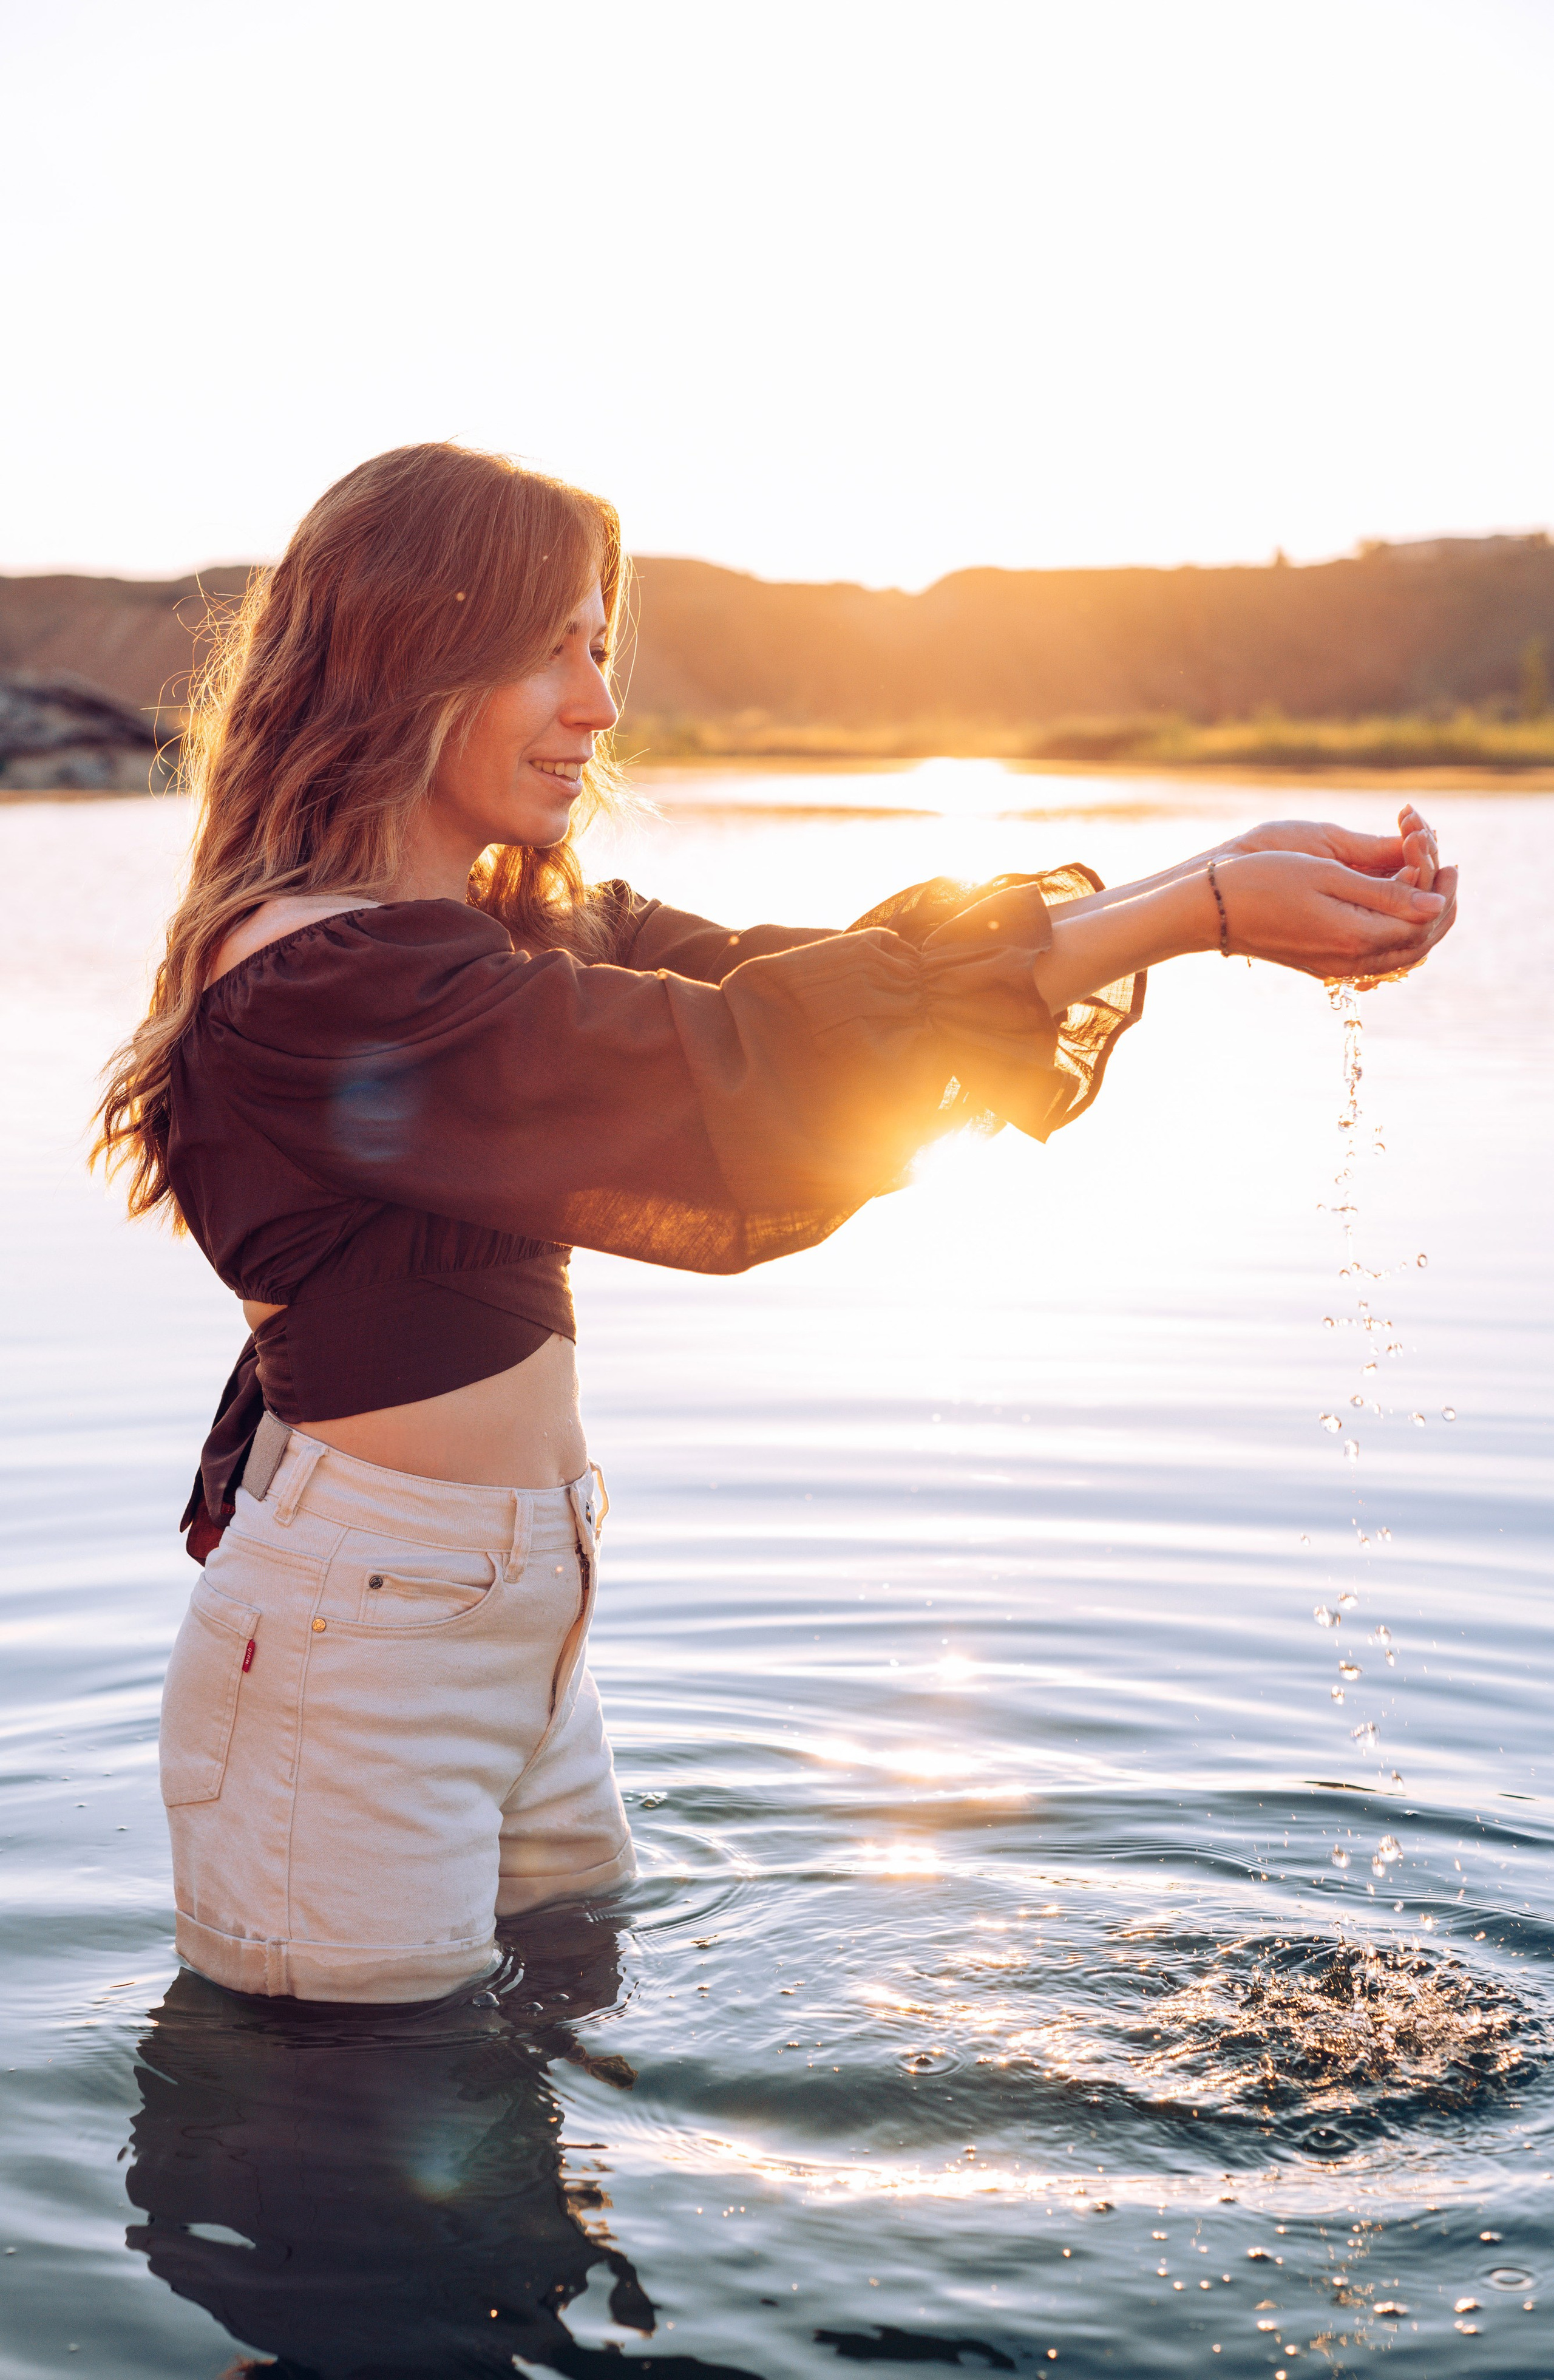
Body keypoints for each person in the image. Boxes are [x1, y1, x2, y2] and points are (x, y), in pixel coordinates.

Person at [93, 443, 1456, 2005]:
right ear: (406, 652)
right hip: (357, 1653)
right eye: (551, 651)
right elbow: (752, 1066)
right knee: (353, 2127)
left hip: (507, 1631)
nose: (599, 704)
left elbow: (822, 984)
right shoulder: (314, 983)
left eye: (598, 646)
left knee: (551, 2046)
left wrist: (1214, 876)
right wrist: (1192, 916)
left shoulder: (507, 929)